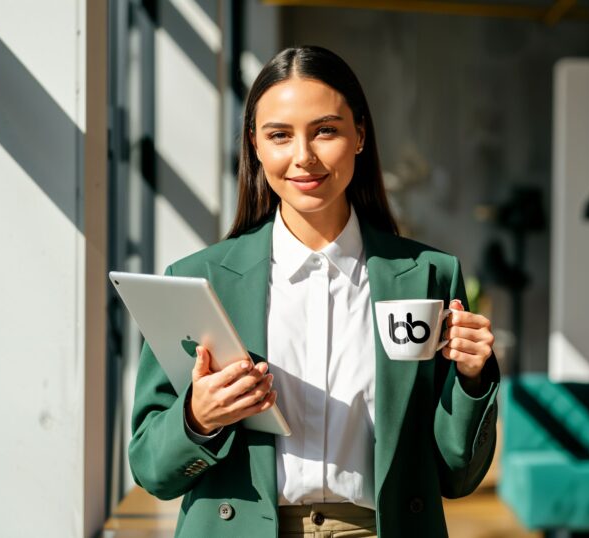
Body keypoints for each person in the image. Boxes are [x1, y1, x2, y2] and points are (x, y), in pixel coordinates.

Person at [129, 46, 498, 538]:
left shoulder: (429, 276)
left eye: (325, 130)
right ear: (255, 146)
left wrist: (472, 380)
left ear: (360, 135)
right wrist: (197, 418)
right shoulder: (198, 281)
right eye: (279, 135)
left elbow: (456, 475)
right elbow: (152, 470)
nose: (303, 157)